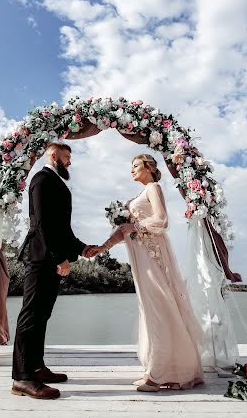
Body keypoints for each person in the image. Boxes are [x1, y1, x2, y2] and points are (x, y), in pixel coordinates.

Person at [86, 154, 204, 392]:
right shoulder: (138, 196)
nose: (132, 170)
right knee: (151, 311)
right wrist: (102, 248)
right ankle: (156, 369)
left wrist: (134, 226)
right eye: (131, 167)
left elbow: (162, 221)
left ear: (149, 168)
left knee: (161, 309)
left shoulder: (153, 187)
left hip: (153, 257)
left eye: (136, 166)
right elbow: (122, 230)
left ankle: (160, 375)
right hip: (139, 259)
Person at [12, 142, 92, 399]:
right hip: (40, 257)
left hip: (51, 258)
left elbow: (62, 228)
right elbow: (42, 224)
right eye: (67, 157)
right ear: (53, 155)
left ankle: (36, 367)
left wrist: (81, 249)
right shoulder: (42, 179)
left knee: (42, 315)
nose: (70, 162)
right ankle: (22, 378)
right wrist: (60, 259)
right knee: (31, 316)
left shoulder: (56, 182)